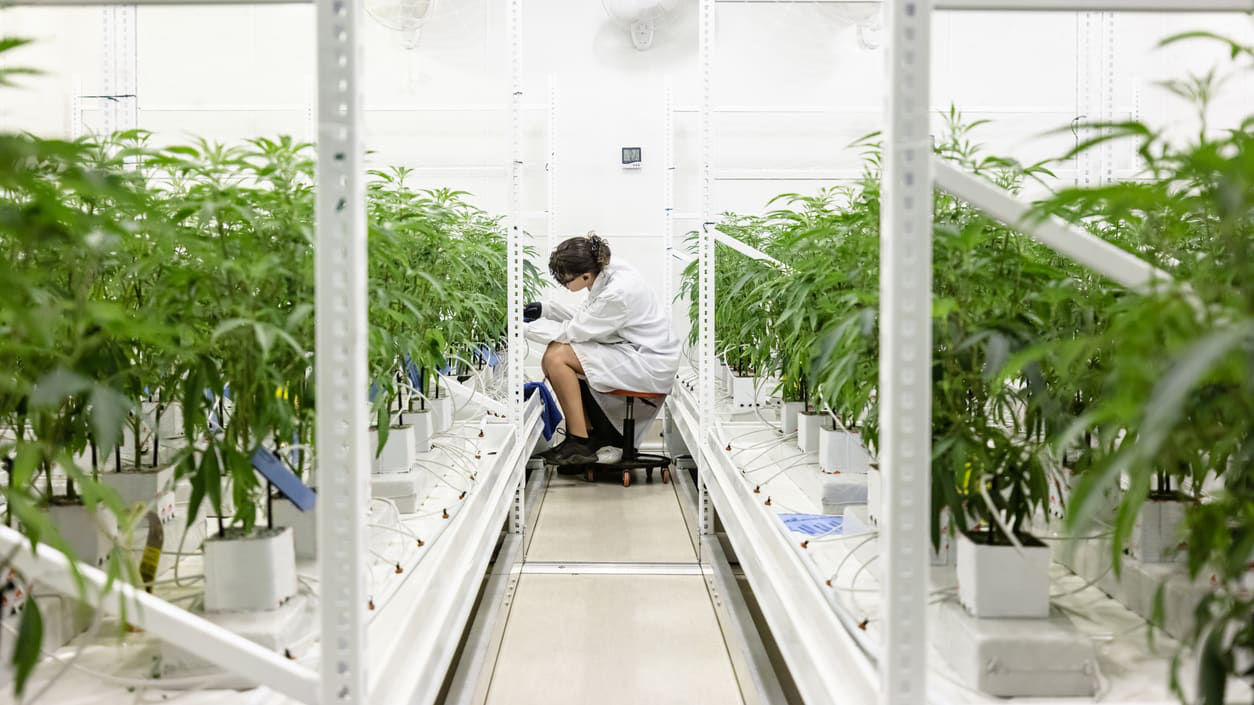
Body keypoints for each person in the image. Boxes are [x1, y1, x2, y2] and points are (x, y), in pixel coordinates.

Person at [524, 233, 681, 466]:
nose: (563, 286)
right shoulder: (606, 269)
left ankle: (579, 441)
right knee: (555, 355)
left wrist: (520, 330)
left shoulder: (617, 292)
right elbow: (590, 315)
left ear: (585, 275)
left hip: (649, 362)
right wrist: (546, 309)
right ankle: (586, 438)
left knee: (557, 356)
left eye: (565, 281)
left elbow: (574, 331)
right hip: (633, 348)